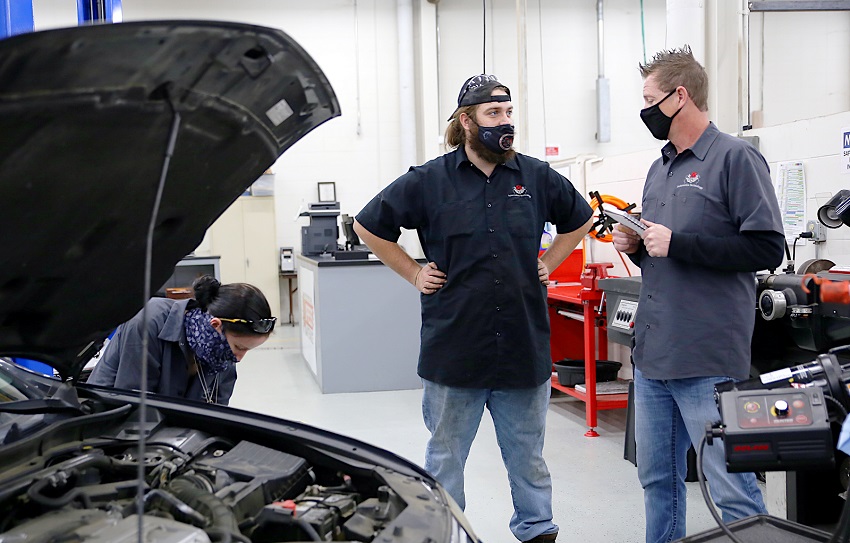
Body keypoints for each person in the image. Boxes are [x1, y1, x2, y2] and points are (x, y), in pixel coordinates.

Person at [353, 74, 593, 543]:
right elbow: (369, 226)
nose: (505, 123)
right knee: (445, 455)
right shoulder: (428, 181)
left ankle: (537, 530)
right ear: (466, 121)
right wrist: (413, 273)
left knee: (528, 455)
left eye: (508, 114)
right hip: (455, 346)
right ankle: (444, 532)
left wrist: (548, 262)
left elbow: (580, 219)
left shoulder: (535, 176)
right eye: (493, 114)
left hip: (523, 346)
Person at [611, 46, 784, 543]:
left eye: (649, 99)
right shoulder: (659, 167)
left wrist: (677, 243)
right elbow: (665, 254)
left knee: (729, 485)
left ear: (679, 96)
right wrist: (639, 244)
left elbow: (766, 247)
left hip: (705, 356)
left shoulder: (735, 157)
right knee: (657, 480)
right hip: (655, 354)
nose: (644, 110)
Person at [87, 275, 275, 406]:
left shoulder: (221, 353)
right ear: (216, 325)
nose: (240, 358)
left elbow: (218, 410)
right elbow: (133, 404)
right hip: (110, 425)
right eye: (239, 347)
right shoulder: (149, 323)